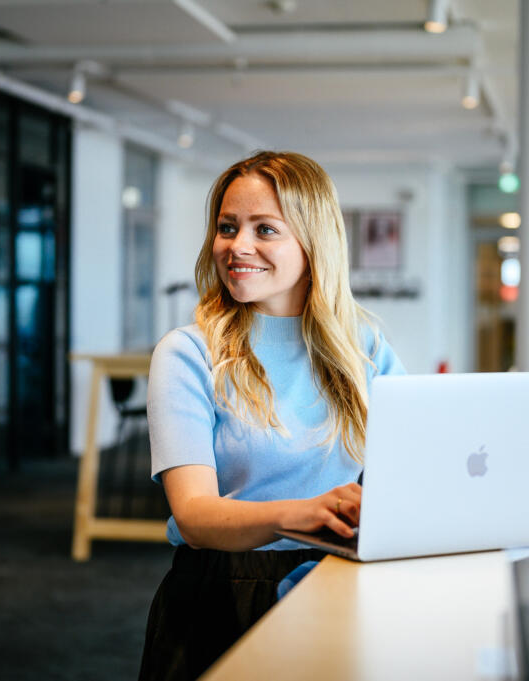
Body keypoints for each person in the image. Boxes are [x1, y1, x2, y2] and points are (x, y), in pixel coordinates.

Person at [139, 151, 405, 680]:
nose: (238, 246)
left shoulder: (365, 348)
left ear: (313, 242)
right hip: (224, 595)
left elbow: (408, 476)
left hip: (340, 582)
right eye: (227, 227)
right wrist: (301, 514)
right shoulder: (188, 353)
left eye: (265, 229)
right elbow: (193, 515)